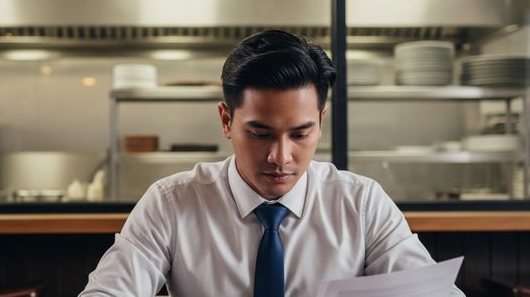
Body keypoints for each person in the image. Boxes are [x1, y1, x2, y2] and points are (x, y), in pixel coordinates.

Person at [80, 30, 464, 297]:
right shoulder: (171, 202)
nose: (280, 157)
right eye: (261, 134)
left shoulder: (361, 203)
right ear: (226, 121)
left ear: (321, 123)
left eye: (300, 134)